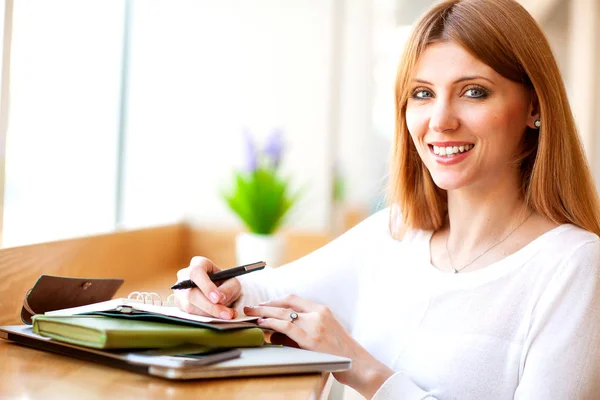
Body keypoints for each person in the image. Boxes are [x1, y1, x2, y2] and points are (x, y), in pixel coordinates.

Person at [174, 0, 600, 398]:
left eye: (474, 91)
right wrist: (211, 291)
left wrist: (365, 371)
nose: (440, 120)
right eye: (422, 93)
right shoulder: (396, 234)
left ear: (534, 107)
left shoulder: (575, 265)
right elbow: (262, 293)